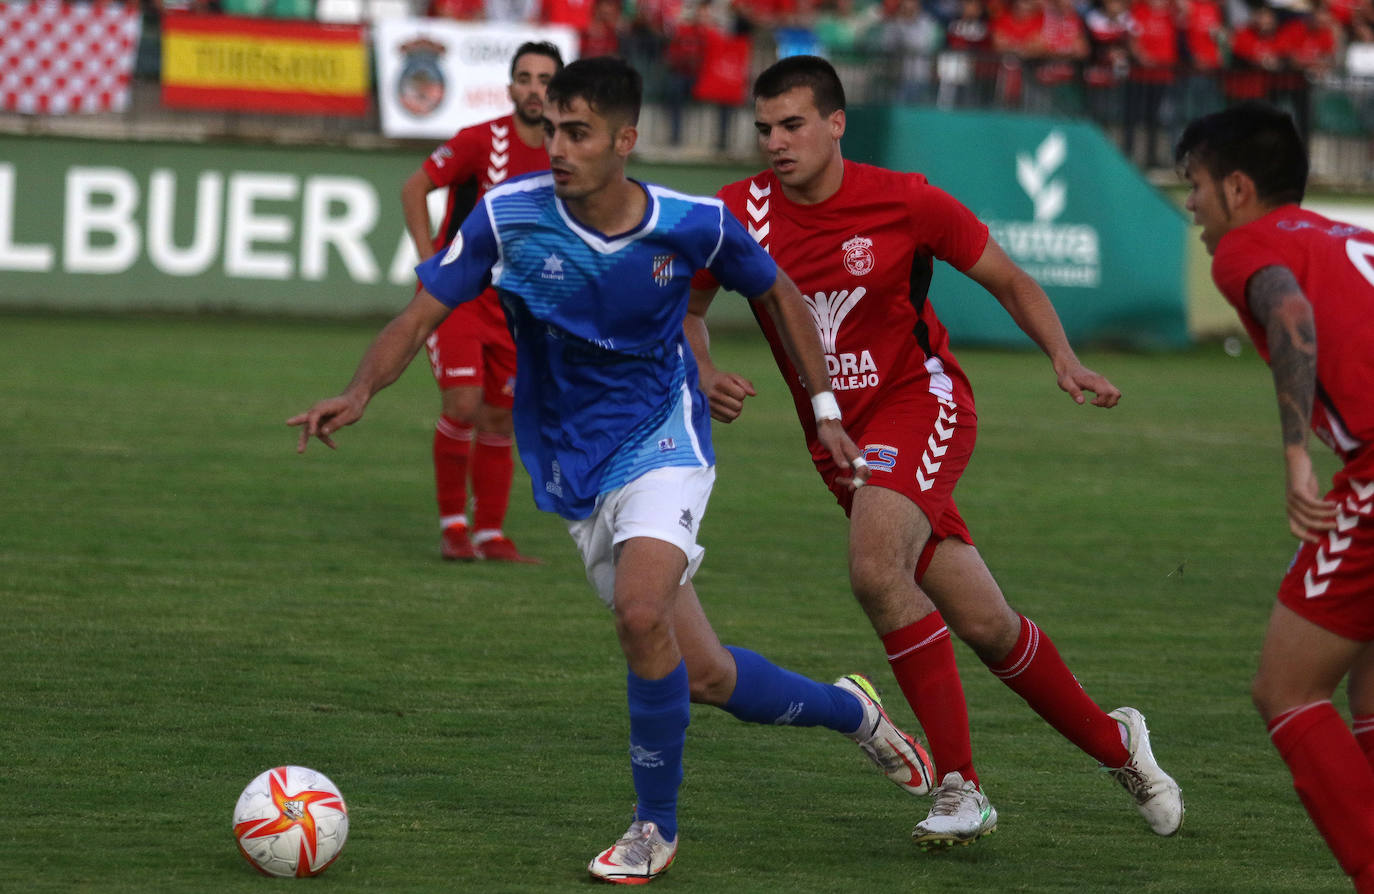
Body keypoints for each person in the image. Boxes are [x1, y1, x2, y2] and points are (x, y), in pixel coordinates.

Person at [289, 56, 936, 886]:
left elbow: (775, 291)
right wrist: (357, 392)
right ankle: (856, 713)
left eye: (579, 132)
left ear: (625, 140)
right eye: (552, 128)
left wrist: (825, 410)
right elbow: (420, 315)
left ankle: (651, 830)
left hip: (665, 441)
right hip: (573, 465)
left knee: (638, 614)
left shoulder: (689, 222)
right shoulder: (506, 216)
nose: (557, 146)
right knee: (703, 674)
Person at [686, 54, 1185, 848]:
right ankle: (1116, 745)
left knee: (875, 569)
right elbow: (690, 307)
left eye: (793, 125)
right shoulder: (737, 211)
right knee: (986, 624)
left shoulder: (903, 199)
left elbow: (1009, 278)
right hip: (840, 441)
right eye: (764, 128)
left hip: (921, 403)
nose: (775, 142)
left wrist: (1062, 356)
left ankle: (960, 788)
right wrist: (705, 368)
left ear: (837, 123)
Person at [1176, 102, 1374, 893]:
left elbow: (1288, 308)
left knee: (1286, 689)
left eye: (1193, 183)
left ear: (1235, 187)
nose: (1189, 201)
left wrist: (1296, 455)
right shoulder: (1348, 234)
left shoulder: (1248, 246)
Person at [399, 42, 563, 563]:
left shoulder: (567, 152)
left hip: (518, 308)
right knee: (464, 403)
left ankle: (490, 533)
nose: (534, 88)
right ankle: (453, 527)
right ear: (510, 86)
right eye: (525, 77)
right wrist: (432, 269)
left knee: (499, 418)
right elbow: (414, 187)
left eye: (544, 79)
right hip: (461, 299)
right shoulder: (481, 139)